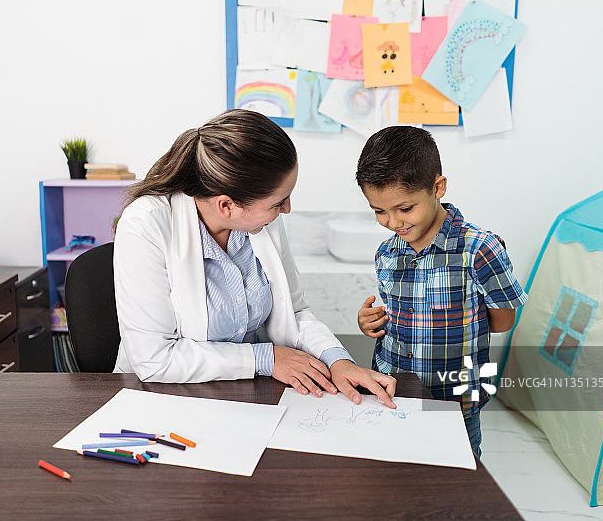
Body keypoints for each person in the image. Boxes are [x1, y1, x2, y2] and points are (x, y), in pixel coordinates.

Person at [113, 109, 396, 406]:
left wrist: (338, 361)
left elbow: (294, 312)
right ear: (227, 206)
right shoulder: (146, 225)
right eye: (277, 202)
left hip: (248, 397)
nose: (286, 209)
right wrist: (265, 358)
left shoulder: (261, 222)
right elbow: (155, 359)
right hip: (163, 400)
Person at [355, 126, 527, 456]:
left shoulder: (479, 249)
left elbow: (503, 321)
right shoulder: (386, 253)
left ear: (438, 187)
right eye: (379, 211)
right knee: (392, 474)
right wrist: (370, 322)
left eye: (405, 209)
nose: (393, 222)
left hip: (453, 403)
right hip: (391, 395)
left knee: (456, 479)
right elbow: (394, 319)